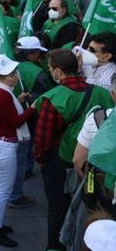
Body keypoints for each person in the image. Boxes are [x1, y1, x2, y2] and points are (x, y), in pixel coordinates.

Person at [33, 49, 114, 250]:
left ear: (58, 72)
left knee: (57, 210)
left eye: (51, 68)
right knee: (89, 210)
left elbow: (43, 138)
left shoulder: (52, 98)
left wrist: (42, 160)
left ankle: (55, 246)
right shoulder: (102, 93)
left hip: (60, 162)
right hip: (95, 168)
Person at [0, 55, 36, 247]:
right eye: (11, 74)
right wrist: (32, 109)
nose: (15, 76)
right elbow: (15, 121)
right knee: (3, 190)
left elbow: (8, 113)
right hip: (6, 144)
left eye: (14, 73)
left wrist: (19, 100)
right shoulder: (3, 94)